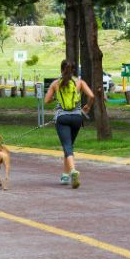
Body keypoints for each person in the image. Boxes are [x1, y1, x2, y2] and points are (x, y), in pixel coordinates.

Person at [43, 60, 95, 189]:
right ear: (73, 71)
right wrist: (87, 106)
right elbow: (92, 96)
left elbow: (46, 100)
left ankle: (73, 171)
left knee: (67, 146)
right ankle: (65, 175)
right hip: (77, 117)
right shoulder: (79, 82)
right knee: (69, 146)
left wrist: (56, 97)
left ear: (61, 70)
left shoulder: (56, 84)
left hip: (62, 117)